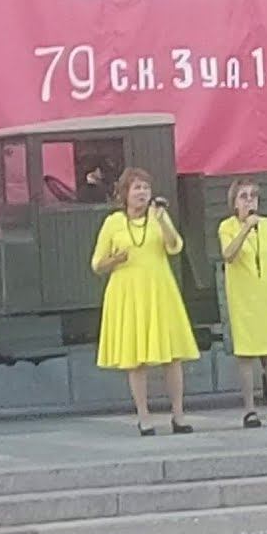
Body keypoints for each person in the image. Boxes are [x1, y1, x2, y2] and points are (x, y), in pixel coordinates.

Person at [90, 167, 199, 436]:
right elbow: (97, 264)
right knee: (136, 358)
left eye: (146, 188)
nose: (142, 193)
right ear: (125, 193)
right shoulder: (113, 222)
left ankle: (178, 415)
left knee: (172, 356)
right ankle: (144, 416)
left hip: (159, 290)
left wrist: (162, 220)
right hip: (128, 293)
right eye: (137, 188)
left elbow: (175, 246)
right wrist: (115, 260)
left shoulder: (157, 217)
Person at [218, 178, 267, 429]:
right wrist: (245, 229)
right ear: (234, 203)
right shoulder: (227, 227)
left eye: (253, 196)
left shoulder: (266, 225)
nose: (249, 200)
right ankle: (250, 410)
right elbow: (229, 255)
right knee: (247, 353)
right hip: (243, 298)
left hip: (266, 296)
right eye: (244, 196)